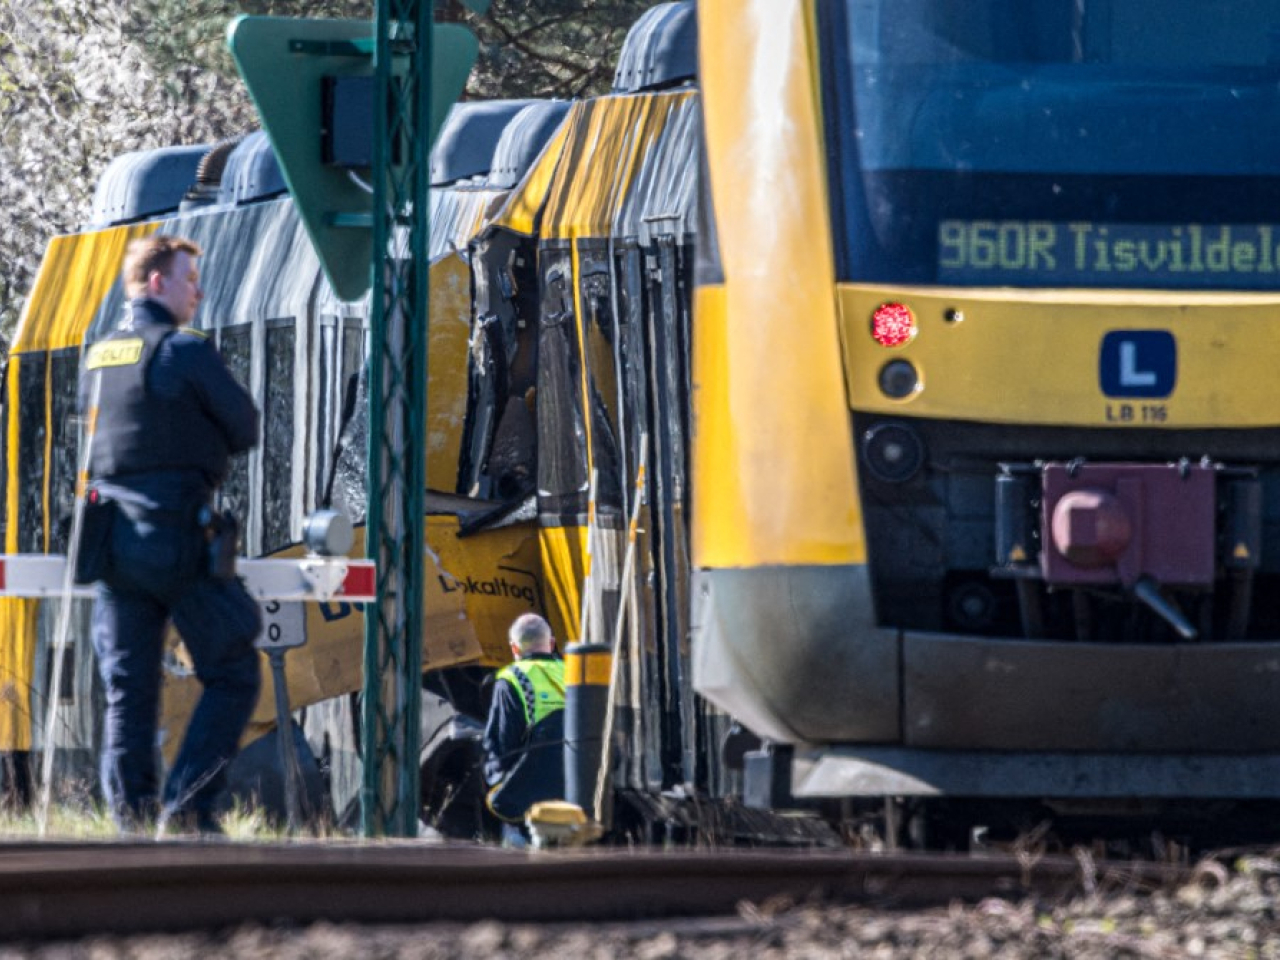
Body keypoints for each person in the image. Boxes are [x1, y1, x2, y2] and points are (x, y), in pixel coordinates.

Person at [79, 235, 262, 837]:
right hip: (175, 534)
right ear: (157, 282)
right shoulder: (184, 352)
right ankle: (188, 807)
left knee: (128, 688)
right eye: (190, 279)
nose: (198, 292)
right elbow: (244, 426)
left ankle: (130, 823)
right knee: (234, 668)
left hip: (110, 545)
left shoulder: (101, 356)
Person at [482, 612, 566, 846]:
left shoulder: (512, 679)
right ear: (551, 644)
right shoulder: (573, 674)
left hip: (532, 805)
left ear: (514, 649)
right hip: (579, 795)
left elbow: (501, 746)